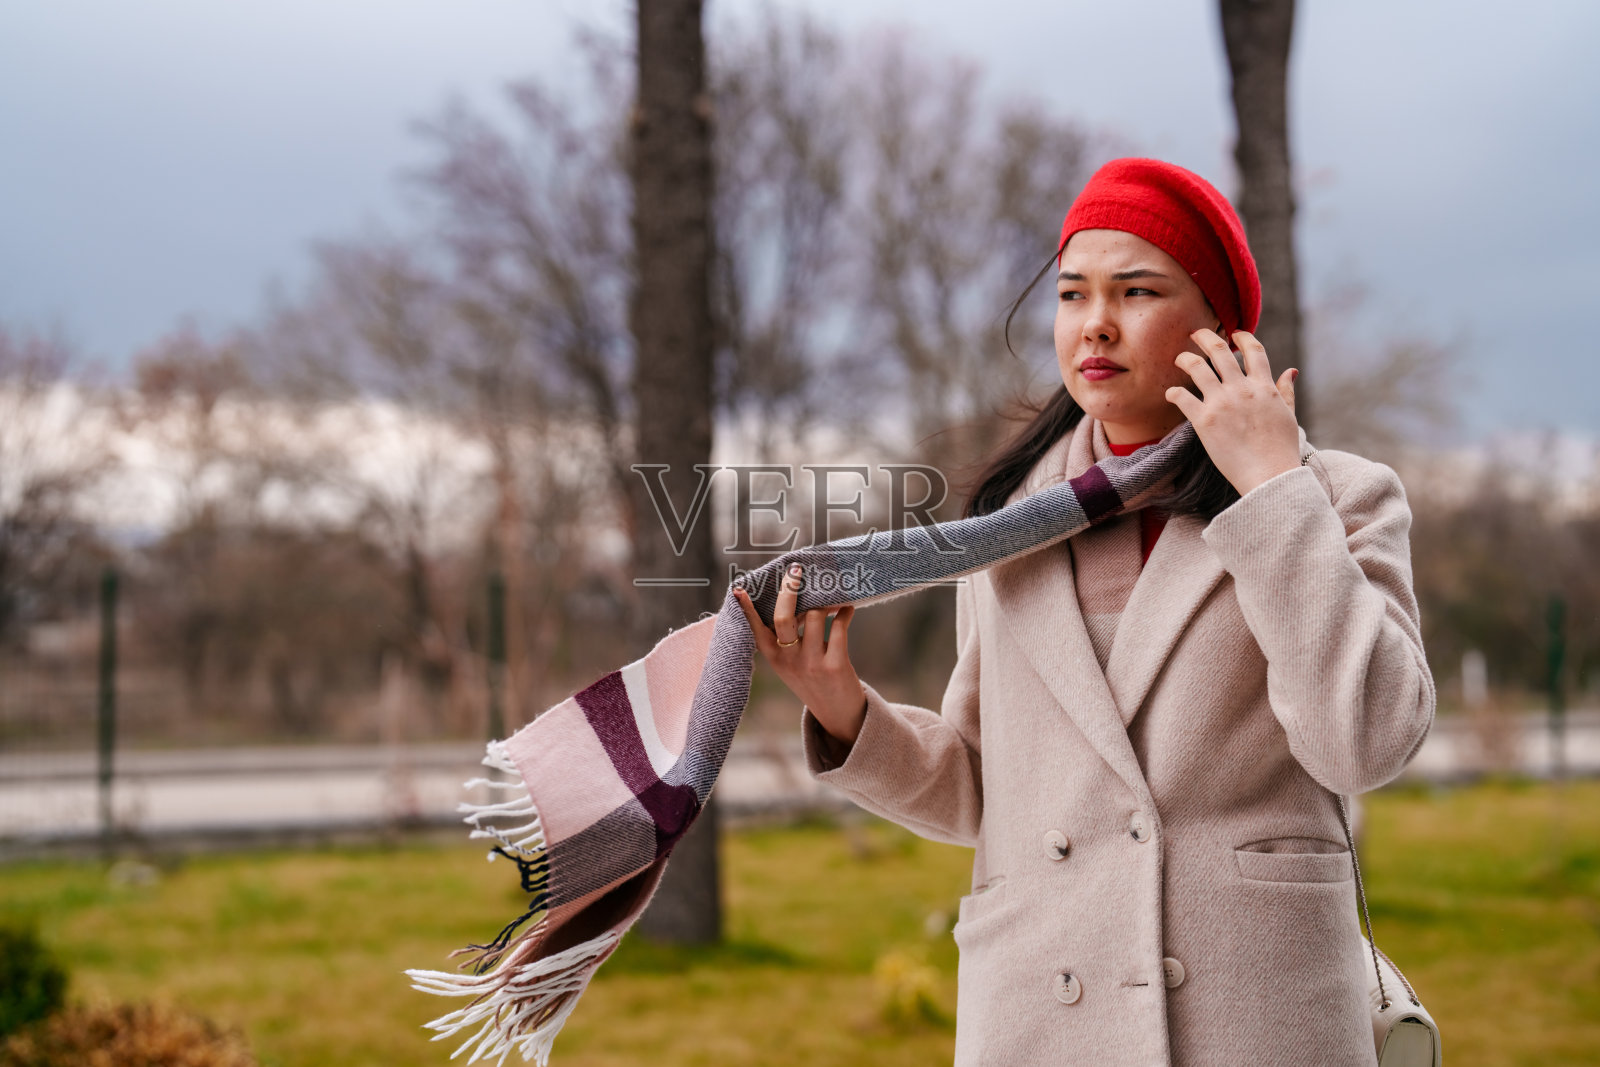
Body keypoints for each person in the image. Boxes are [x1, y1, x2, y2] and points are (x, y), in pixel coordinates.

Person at [732, 157, 1434, 1064]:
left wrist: (1271, 490)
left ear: (1221, 325)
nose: (1095, 322)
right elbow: (984, 791)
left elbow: (1366, 742)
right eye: (1073, 293)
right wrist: (845, 713)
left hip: (1256, 1021)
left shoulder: (1337, 496)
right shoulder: (1005, 526)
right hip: (1041, 1014)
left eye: (1137, 290)